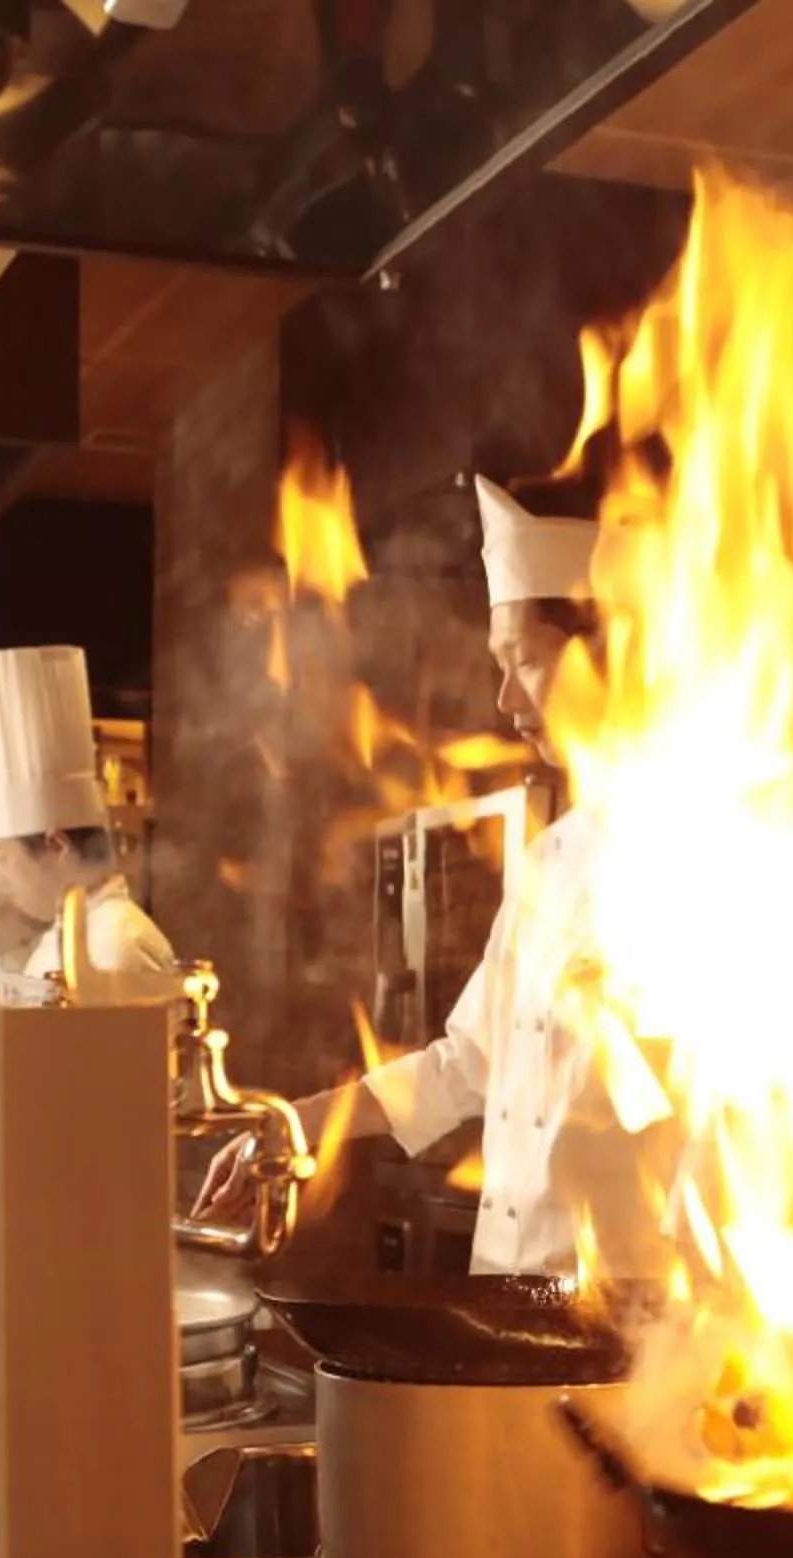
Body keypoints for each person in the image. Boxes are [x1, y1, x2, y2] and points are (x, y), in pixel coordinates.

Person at [204, 476, 646, 1276]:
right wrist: (294, 1127)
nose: (507, 697)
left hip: (640, 1323)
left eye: (528, 663)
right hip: (511, 1290)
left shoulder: (716, 852)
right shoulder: (552, 856)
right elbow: (463, 1065)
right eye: (498, 665)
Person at [0, 644, 179, 1006]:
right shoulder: (71, 936)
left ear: (57, 846)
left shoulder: (115, 941)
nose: (0, 879)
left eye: (3, 857)